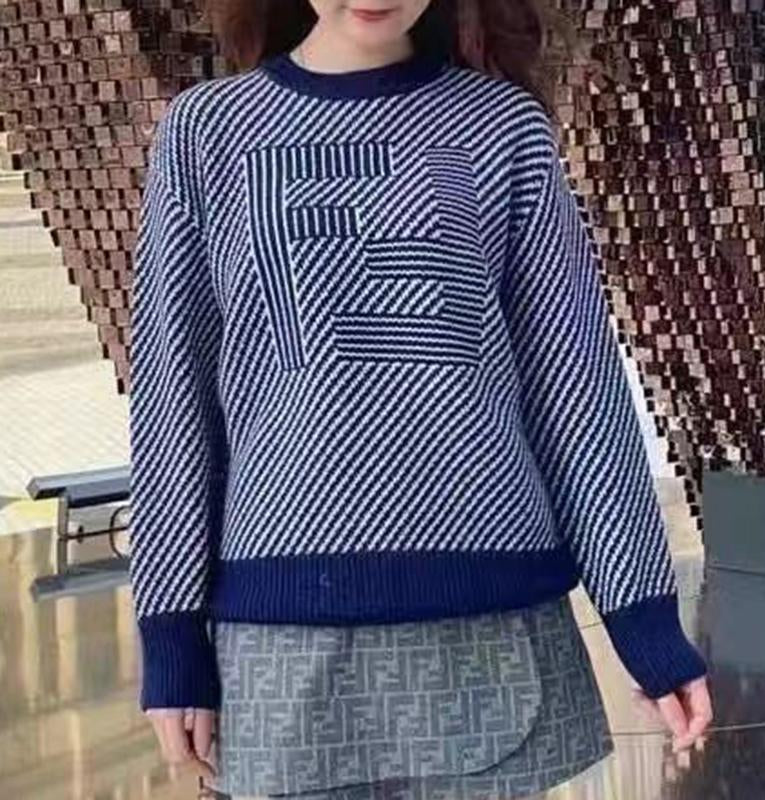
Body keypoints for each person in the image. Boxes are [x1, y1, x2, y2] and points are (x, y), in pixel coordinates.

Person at [126, 1, 714, 798]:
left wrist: (644, 620)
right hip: (280, 641)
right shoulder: (208, 132)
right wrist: (170, 639)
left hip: (487, 634)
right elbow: (172, 394)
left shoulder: (502, 128)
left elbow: (575, 386)